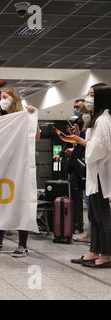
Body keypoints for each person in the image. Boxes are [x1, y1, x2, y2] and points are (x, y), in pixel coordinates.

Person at [0, 87, 40, 258]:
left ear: (14, 98)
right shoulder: (0, 118)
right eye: (0, 97)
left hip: (20, 167)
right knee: (1, 203)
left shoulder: (25, 115)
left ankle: (23, 245)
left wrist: (33, 116)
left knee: (22, 204)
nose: (2, 100)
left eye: (5, 97)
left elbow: (35, 137)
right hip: (3, 166)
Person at [69, 83, 111, 268]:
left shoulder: (104, 120)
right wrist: (82, 138)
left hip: (103, 175)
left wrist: (80, 141)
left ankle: (106, 254)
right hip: (95, 174)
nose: (88, 97)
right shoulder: (97, 119)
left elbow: (99, 148)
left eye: (92, 94)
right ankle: (94, 251)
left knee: (103, 217)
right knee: (94, 216)